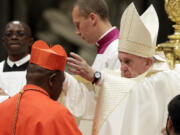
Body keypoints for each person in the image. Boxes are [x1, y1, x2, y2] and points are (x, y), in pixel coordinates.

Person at [67, 3, 180, 135]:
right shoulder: (134, 75)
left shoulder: (162, 77)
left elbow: (133, 88)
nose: (122, 69)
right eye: (120, 61)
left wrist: (97, 77)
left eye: (128, 62)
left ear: (148, 63)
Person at [61, 0, 121, 134]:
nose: (76, 32)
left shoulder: (118, 49)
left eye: (78, 24)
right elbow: (94, 96)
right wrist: (64, 79)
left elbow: (123, 91)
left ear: (93, 18)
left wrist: (95, 76)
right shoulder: (105, 49)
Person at [0, 40, 82, 135]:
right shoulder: (57, 114)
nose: (61, 89)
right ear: (52, 80)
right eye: (61, 82)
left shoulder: (3, 107)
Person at [0, 20, 33, 98]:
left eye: (20, 34)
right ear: (3, 41)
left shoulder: (40, 69)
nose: (14, 37)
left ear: (30, 41)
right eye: (9, 34)